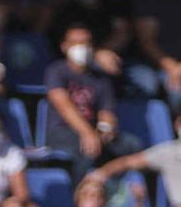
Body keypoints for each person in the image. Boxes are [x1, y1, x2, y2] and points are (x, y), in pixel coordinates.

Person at [43, 24, 135, 170]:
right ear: (64, 47)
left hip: (93, 131)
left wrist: (106, 129)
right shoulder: (56, 71)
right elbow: (62, 104)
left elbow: (107, 111)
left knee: (132, 146)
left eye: (85, 43)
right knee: (86, 150)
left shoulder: (101, 78)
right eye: (75, 43)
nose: (81, 47)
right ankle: (82, 191)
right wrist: (87, 133)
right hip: (62, 131)